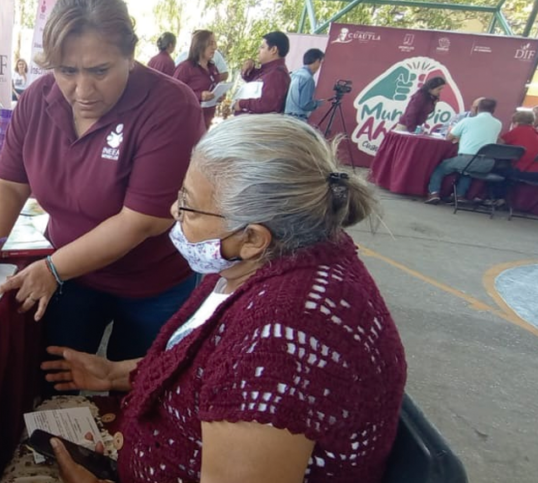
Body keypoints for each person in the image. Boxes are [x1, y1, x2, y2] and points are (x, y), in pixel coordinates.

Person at [37, 115, 406, 483]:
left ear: (252, 239)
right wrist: (116, 374)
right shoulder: (269, 262)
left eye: (188, 206)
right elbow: (207, 368)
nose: (173, 213)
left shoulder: (281, 342)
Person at [0, 0, 204, 364]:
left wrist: (54, 269)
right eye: (66, 71)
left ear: (130, 56)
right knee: (56, 376)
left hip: (152, 282)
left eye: (100, 71)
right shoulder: (38, 99)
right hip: (72, 276)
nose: (83, 90)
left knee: (137, 391)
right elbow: (9, 181)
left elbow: (141, 221)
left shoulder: (171, 105)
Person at [426, 97, 503, 204]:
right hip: (488, 164)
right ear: (493, 110)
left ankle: (434, 193)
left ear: (477, 109)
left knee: (441, 168)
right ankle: (460, 195)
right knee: (467, 172)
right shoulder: (498, 124)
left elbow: (449, 137)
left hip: (466, 159)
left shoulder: (467, 121)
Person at [486, 110, 538, 205]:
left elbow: (498, 144)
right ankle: (504, 200)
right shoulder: (536, 133)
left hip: (528, 172)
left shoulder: (517, 131)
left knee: (495, 170)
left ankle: (496, 199)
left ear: (516, 122)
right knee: (508, 171)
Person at [231, 31, 291, 115]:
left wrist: (241, 103)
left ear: (273, 50)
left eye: (262, 47)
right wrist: (248, 70)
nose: (259, 50)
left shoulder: (277, 74)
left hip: (256, 125)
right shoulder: (267, 70)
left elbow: (267, 104)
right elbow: (254, 84)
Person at [173, 30, 223, 127]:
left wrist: (218, 96)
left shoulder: (212, 68)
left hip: (206, 120)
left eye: (215, 43)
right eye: (211, 43)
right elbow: (173, 94)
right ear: (200, 45)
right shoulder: (185, 68)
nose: (215, 47)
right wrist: (199, 96)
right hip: (188, 122)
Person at [285, 48, 325, 120]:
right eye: (320, 62)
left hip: (286, 116)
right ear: (317, 61)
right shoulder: (308, 79)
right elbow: (305, 104)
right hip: (297, 119)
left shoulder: (293, 74)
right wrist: (317, 103)